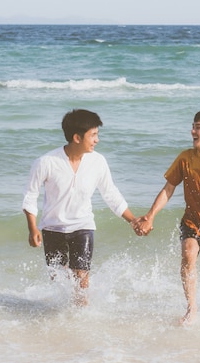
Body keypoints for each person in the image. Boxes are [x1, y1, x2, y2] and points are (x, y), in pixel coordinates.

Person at [22, 109, 145, 306]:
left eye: (97, 134)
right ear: (77, 137)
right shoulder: (46, 162)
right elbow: (30, 196)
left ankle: (81, 316)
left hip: (83, 226)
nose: (97, 140)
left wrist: (133, 220)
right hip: (53, 228)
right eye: (93, 135)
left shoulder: (98, 162)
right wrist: (32, 228)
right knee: (59, 281)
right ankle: (64, 318)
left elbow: (110, 194)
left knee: (81, 279)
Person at [136, 108, 200, 324]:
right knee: (188, 253)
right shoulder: (185, 157)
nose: (192, 130)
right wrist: (151, 215)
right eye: (193, 126)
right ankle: (191, 308)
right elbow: (168, 189)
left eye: (197, 127)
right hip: (192, 220)